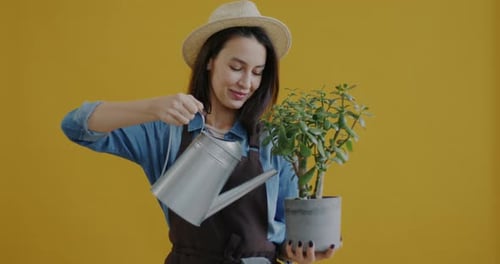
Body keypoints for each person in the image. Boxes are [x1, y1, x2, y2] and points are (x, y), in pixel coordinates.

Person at [61, 1, 336, 263]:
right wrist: (152, 108)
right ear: (210, 61)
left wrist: (300, 251)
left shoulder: (273, 141)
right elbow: (76, 126)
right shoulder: (167, 133)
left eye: (257, 72)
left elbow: (284, 237)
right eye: (236, 67)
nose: (246, 82)